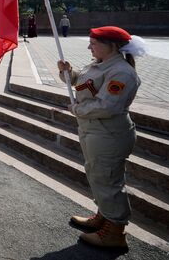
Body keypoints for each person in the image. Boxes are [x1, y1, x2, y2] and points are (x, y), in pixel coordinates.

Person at [57, 26, 145, 249]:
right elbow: (84, 85)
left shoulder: (122, 72)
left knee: (108, 179)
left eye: (94, 43)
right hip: (94, 130)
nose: (89, 47)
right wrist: (69, 73)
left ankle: (114, 232)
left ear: (112, 46)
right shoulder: (100, 65)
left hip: (108, 133)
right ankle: (104, 216)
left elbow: (108, 106)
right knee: (98, 175)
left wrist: (77, 110)